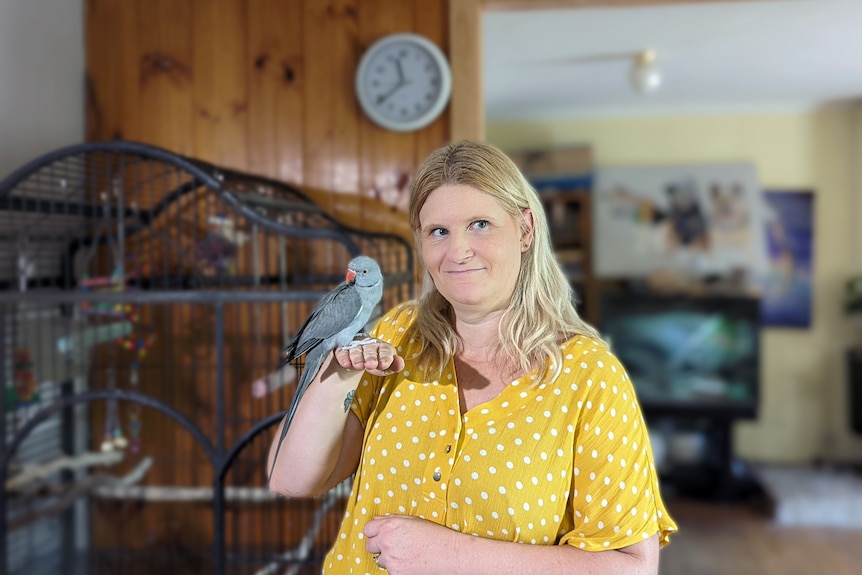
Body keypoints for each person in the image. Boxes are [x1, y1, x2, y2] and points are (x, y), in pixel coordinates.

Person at [267, 140, 678, 574]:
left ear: (525, 229)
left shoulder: (590, 376)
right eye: (438, 232)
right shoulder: (395, 335)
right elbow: (292, 478)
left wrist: (451, 556)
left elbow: (631, 567)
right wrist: (338, 376)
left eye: (480, 224)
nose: (457, 251)